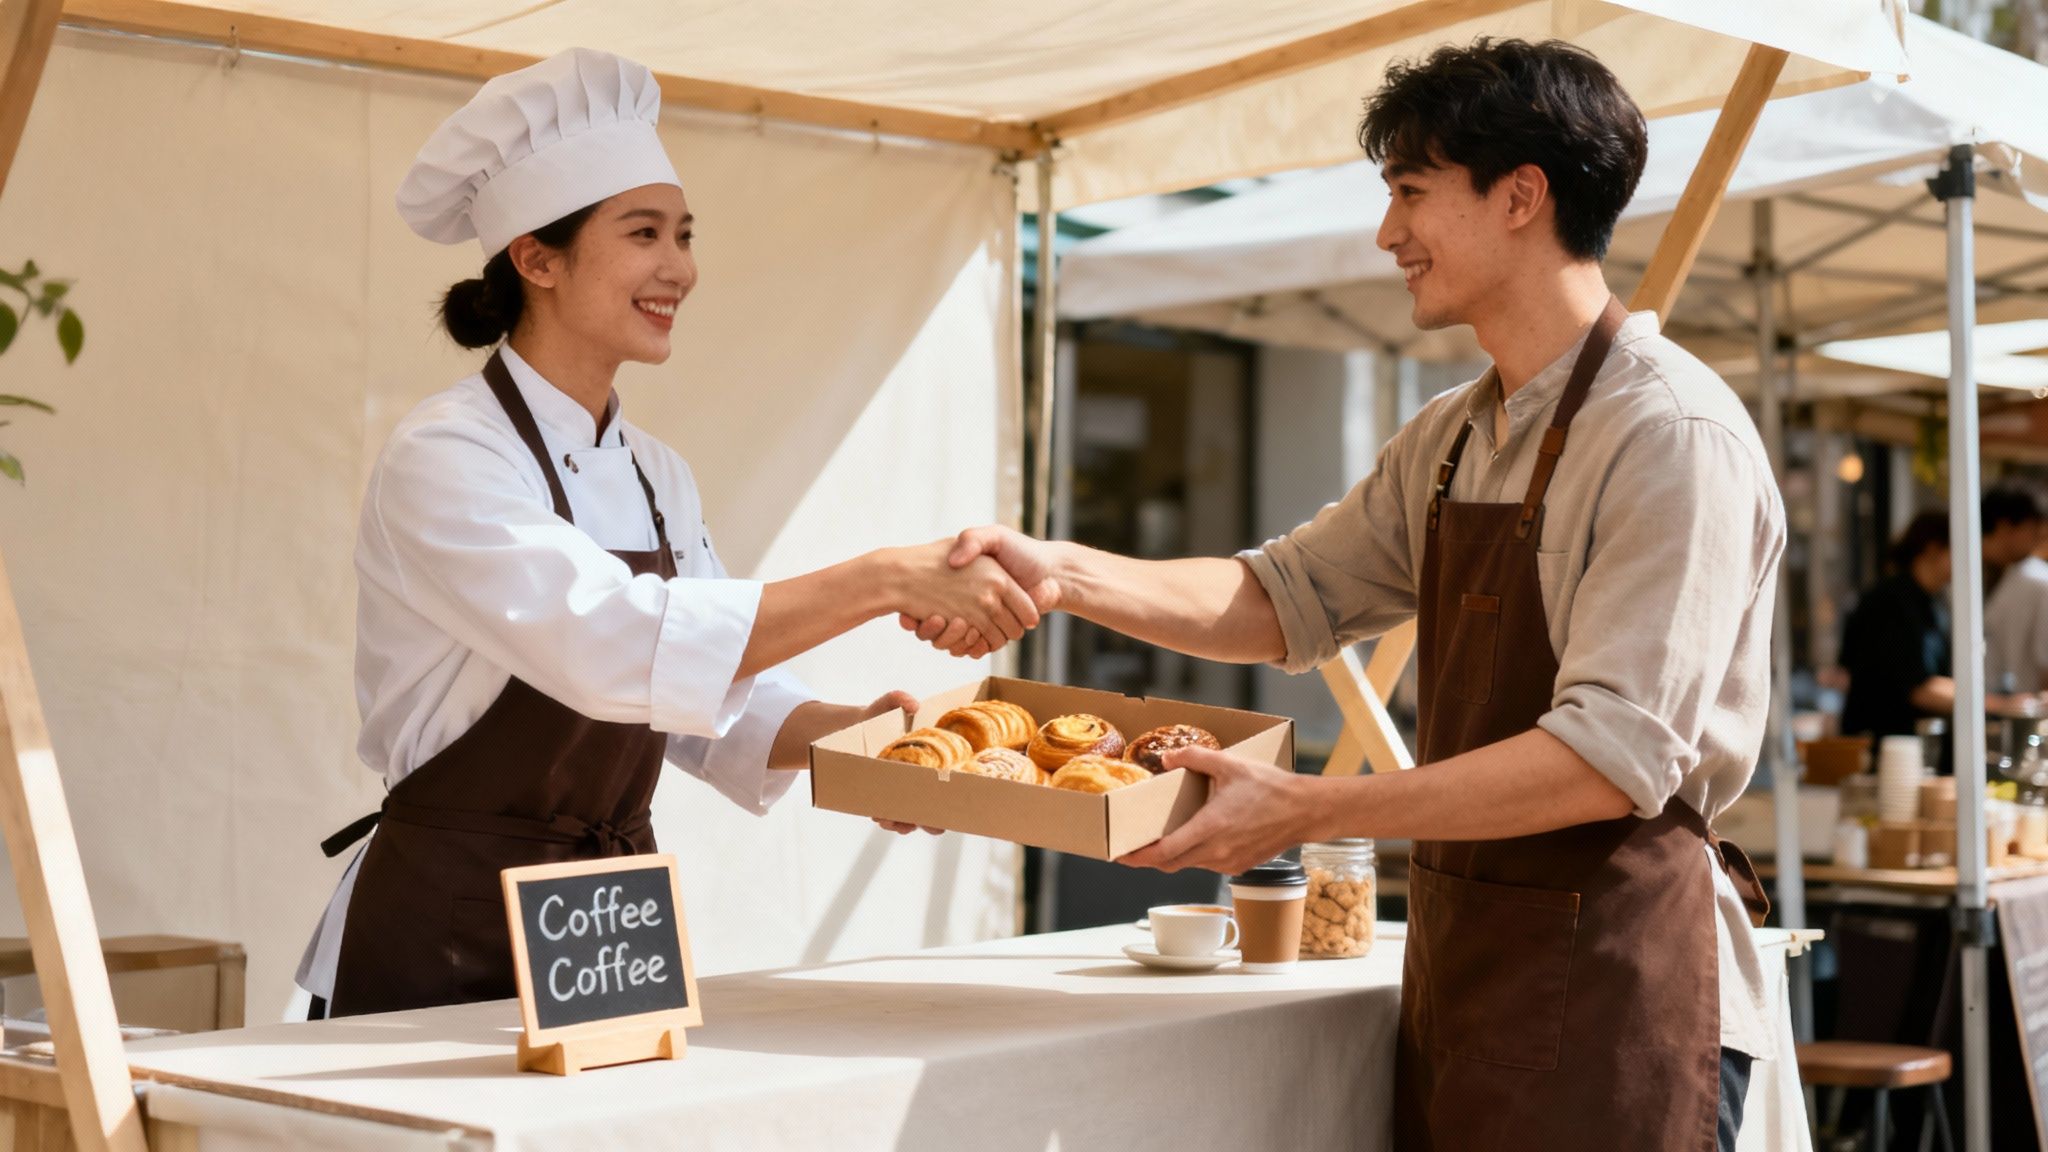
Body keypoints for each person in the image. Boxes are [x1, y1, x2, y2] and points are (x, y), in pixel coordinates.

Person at [910, 38, 1778, 1152]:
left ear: (1521, 197)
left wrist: (1309, 809)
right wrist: (1063, 573)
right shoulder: (1454, 436)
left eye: (1411, 193)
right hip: (1464, 973)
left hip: (1624, 989)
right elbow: (1281, 596)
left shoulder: (1669, 434)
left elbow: (1609, 756)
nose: (1387, 234)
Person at [297, 49, 1037, 1019]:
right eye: (643, 233)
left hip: (607, 922)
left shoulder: (654, 471)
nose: (679, 268)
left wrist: (861, 749)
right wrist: (883, 578)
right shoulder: (446, 456)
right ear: (537, 257)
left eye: (683, 234)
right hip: (449, 916)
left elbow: (710, 699)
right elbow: (619, 648)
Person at [1838, 512, 1954, 750]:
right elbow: (1917, 688)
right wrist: (1991, 704)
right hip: (1884, 746)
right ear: (1933, 549)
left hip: (1915, 744)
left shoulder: (1935, 604)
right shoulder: (1890, 601)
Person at [1987, 499, 2048, 694]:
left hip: (2020, 708)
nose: (2039, 536)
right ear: (2005, 528)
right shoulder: (2035, 579)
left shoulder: (2036, 580)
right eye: (2032, 528)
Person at [1983, 485, 2045, 593]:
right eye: (2034, 532)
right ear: (2004, 527)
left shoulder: (2039, 579)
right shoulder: (1951, 567)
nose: (2038, 542)